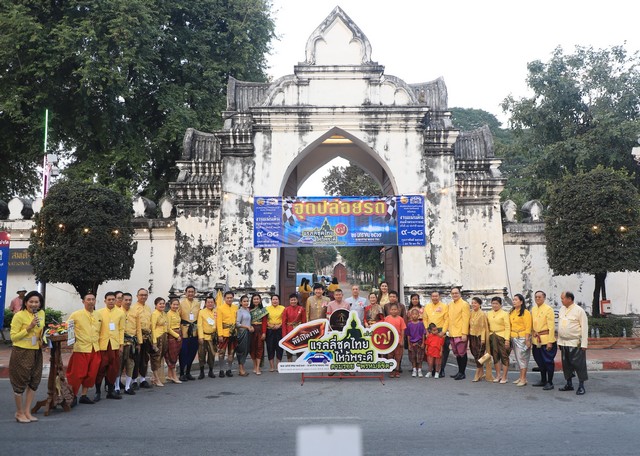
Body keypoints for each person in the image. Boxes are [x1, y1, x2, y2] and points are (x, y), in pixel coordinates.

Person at [9, 290, 45, 423]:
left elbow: (41, 330)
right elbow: (13, 337)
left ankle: (27, 411)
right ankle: (19, 412)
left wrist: (43, 339)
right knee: (20, 383)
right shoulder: (19, 316)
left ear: (40, 304)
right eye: (31, 302)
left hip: (36, 351)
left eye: (37, 302)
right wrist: (29, 327)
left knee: (34, 381)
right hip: (21, 351)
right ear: (25, 303)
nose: (34, 304)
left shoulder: (41, 314)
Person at [66, 292, 102, 405]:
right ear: (83, 301)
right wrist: (72, 340)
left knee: (91, 374)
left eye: (93, 299)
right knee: (77, 374)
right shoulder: (76, 314)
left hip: (95, 348)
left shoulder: (98, 315)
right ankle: (73, 396)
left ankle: (84, 395)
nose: (91, 301)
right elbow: (68, 327)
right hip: (81, 348)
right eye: (88, 299)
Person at [94, 291, 125, 401]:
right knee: (100, 368)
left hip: (114, 344)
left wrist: (121, 344)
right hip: (102, 344)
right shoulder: (99, 313)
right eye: (109, 299)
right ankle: (97, 391)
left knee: (113, 368)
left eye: (113, 299)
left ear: (116, 300)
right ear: (105, 301)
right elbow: (96, 330)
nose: (111, 301)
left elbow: (121, 330)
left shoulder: (120, 313)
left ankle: (111, 391)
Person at [558, 291, 588, 395]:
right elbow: (560, 326)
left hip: (575, 342)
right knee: (566, 365)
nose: (561, 300)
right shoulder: (562, 309)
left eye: (563, 298)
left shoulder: (579, 310)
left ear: (569, 299)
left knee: (579, 365)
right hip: (564, 342)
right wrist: (559, 341)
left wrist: (584, 344)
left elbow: (584, 328)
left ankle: (581, 386)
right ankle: (569, 384)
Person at [531, 290, 557, 390]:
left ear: (544, 298)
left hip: (546, 339)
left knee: (548, 362)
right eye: (536, 297)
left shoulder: (548, 309)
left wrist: (550, 341)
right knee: (539, 361)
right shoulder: (533, 309)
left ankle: (550, 382)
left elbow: (551, 326)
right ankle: (543, 380)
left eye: (539, 297)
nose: (537, 299)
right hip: (536, 339)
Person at [422, 291, 449, 377]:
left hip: (440, 330)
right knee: (432, 351)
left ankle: (441, 369)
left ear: (439, 297)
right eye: (433, 296)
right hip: (430, 330)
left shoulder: (444, 306)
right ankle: (433, 369)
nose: (435, 298)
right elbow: (425, 319)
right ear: (431, 297)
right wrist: (426, 330)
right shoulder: (427, 306)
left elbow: (447, 319)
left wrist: (443, 331)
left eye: (436, 296)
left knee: (442, 350)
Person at [131, 288, 153, 389]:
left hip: (147, 337)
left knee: (145, 359)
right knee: (136, 359)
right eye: (141, 295)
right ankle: (134, 380)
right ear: (137, 296)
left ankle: (143, 379)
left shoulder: (148, 308)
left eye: (145, 295)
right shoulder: (134, 308)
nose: (143, 297)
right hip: (137, 337)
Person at [468, 297, 493, 382]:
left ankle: (477, 374)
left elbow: (483, 327)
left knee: (479, 356)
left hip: (479, 337)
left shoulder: (482, 314)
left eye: (475, 303)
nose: (473, 304)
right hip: (472, 336)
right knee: (475, 355)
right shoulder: (471, 313)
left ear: (479, 304)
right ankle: (481, 372)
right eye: (472, 303)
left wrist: (483, 339)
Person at [120, 292, 141, 395]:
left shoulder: (135, 312)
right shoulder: (118, 312)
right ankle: (116, 387)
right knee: (119, 365)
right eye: (126, 300)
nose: (128, 302)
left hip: (132, 342)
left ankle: (128, 386)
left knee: (130, 364)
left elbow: (138, 328)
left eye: (129, 300)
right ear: (121, 300)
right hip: (121, 343)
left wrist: (139, 343)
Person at [510, 293, 532, 386]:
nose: (514, 301)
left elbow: (528, 327)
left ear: (521, 301)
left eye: (516, 300)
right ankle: (521, 377)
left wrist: (527, 339)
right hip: (514, 337)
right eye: (513, 300)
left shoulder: (526, 313)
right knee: (518, 358)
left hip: (523, 338)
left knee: (523, 358)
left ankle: (523, 379)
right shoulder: (512, 312)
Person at [448, 287, 470, 380]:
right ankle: (459, 371)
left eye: (456, 293)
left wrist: (464, 333)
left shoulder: (464, 304)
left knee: (462, 353)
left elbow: (466, 320)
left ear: (460, 294)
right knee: (456, 353)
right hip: (452, 332)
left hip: (461, 333)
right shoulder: (450, 304)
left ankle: (462, 372)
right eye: (453, 293)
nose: (454, 295)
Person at [178, 285, 200, 381]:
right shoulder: (181, 304)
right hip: (184, 331)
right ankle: (182, 372)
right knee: (183, 352)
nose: (190, 293)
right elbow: (178, 318)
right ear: (185, 293)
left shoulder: (198, 304)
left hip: (194, 331)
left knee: (192, 352)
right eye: (189, 292)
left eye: (192, 292)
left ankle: (188, 372)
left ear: (195, 293)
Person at [487, 296, 510, 384]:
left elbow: (507, 327)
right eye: (493, 303)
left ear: (500, 304)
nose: (495, 305)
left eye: (497, 303)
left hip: (502, 336)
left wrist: (507, 340)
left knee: (504, 356)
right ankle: (498, 375)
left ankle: (504, 376)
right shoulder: (489, 313)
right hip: (492, 336)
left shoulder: (504, 314)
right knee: (495, 356)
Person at [217, 291, 238, 378]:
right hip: (224, 333)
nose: (229, 299)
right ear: (224, 298)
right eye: (227, 298)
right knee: (221, 352)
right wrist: (220, 334)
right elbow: (219, 322)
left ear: (233, 298)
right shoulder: (220, 308)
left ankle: (229, 369)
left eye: (231, 298)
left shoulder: (236, 307)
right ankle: (221, 370)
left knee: (231, 352)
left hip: (233, 333)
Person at [281, 293, 307, 361]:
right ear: (289, 301)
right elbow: (284, 323)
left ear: (297, 300)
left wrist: (304, 333)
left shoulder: (301, 309)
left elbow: (304, 322)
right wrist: (284, 334)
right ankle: (290, 363)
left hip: (299, 331)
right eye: (291, 300)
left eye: (294, 300)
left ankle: (299, 363)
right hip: (289, 331)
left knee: (299, 348)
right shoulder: (286, 309)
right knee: (289, 348)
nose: (293, 301)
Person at [197, 295, 217, 379]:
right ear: (205, 303)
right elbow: (199, 325)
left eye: (211, 302)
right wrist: (200, 337)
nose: (210, 304)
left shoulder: (216, 311)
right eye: (208, 302)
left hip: (213, 336)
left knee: (212, 354)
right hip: (204, 336)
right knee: (201, 354)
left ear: (214, 303)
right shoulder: (202, 312)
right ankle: (201, 371)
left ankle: (211, 371)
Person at [150, 297, 168, 387]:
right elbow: (152, 328)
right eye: (160, 304)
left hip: (164, 336)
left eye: (163, 303)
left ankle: (155, 377)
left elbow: (166, 327)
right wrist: (154, 342)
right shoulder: (154, 314)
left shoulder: (164, 314)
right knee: (155, 358)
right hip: (157, 337)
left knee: (160, 357)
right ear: (156, 305)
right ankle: (156, 379)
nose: (162, 305)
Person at [384, 303, 406, 378]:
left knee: (398, 356)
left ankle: (397, 370)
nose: (394, 311)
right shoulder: (387, 318)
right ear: (390, 311)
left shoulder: (400, 319)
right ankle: (391, 370)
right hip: (390, 340)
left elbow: (402, 330)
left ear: (398, 310)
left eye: (395, 309)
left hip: (398, 340)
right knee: (390, 355)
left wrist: (402, 340)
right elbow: (384, 329)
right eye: (392, 309)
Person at [249, 293, 268, 375]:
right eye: (254, 299)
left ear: (260, 300)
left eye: (257, 299)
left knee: (260, 348)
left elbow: (264, 322)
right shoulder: (248, 310)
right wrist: (249, 326)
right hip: (251, 330)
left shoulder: (263, 310)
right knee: (252, 348)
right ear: (252, 301)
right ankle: (255, 365)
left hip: (260, 329)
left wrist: (264, 332)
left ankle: (257, 368)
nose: (256, 300)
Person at [165, 297, 182, 384]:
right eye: (174, 304)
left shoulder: (177, 313)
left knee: (176, 355)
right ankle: (174, 376)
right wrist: (176, 335)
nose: (175, 306)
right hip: (172, 336)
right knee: (172, 356)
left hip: (178, 333)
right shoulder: (169, 314)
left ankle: (169, 375)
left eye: (177, 305)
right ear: (170, 305)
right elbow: (168, 328)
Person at [266, 294, 285, 372]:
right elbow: (265, 320)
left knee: (279, 347)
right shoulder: (267, 309)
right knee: (270, 347)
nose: (275, 301)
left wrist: (279, 325)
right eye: (273, 299)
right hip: (270, 330)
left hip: (279, 329)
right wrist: (269, 324)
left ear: (279, 300)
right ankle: (272, 366)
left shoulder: (283, 308)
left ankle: (278, 366)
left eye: (276, 299)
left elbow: (284, 319)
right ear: (271, 300)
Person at [235, 295, 253, 376]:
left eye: (247, 301)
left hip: (248, 333)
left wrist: (251, 326)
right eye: (244, 301)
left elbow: (249, 322)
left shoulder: (248, 310)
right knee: (241, 351)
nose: (246, 303)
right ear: (241, 302)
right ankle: (240, 369)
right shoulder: (239, 311)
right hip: (242, 333)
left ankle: (242, 368)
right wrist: (247, 327)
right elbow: (237, 324)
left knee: (246, 351)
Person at [406, 308, 425, 377]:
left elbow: (423, 334)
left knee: (420, 358)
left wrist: (423, 343)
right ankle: (414, 370)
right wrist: (408, 344)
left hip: (419, 342)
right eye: (413, 314)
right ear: (411, 315)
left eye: (416, 314)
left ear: (418, 315)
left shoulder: (421, 324)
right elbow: (408, 335)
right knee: (413, 357)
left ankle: (419, 370)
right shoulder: (409, 324)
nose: (414, 316)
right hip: (412, 343)